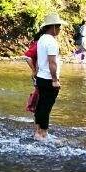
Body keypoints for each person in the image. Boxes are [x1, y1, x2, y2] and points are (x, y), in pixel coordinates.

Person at [32, 13, 65, 141]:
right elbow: (52, 62)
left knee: (40, 105)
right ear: (53, 27)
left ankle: (37, 131)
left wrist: (36, 74)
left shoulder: (41, 39)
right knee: (47, 107)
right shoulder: (51, 42)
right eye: (59, 26)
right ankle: (43, 134)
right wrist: (55, 80)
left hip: (41, 77)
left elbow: (39, 59)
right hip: (48, 79)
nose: (60, 29)